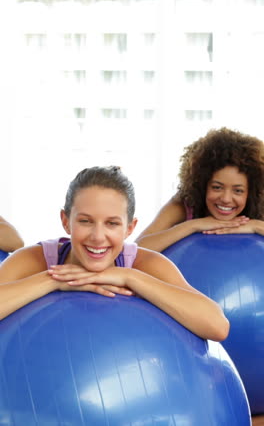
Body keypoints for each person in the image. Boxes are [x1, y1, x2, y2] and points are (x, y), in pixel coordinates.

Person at [0, 165, 229, 342]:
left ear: (130, 228)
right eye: (85, 221)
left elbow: (217, 326)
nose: (98, 236)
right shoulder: (34, 259)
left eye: (112, 224)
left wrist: (130, 277)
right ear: (65, 221)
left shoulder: (144, 264)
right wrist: (54, 280)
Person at [136, 127, 264, 252]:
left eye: (238, 191)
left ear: (251, 192)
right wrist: (194, 225)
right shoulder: (185, 204)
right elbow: (136, 250)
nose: (226, 199)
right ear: (202, 185)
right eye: (217, 187)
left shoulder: (259, 204)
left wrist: (256, 226)